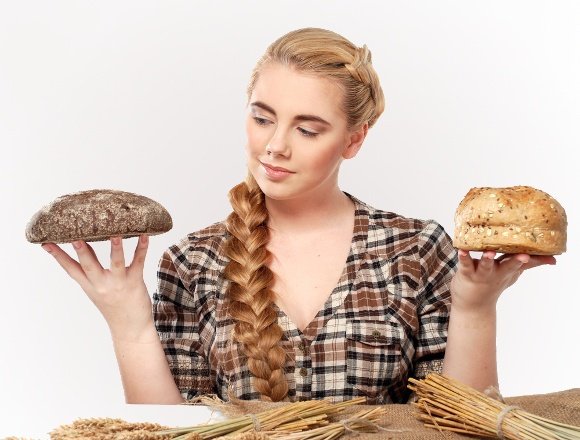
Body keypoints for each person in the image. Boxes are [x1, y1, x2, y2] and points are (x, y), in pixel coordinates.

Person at [41, 27, 556, 404]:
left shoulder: (415, 247)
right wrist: (128, 323)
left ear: (353, 140)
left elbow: (461, 424)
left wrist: (475, 308)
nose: (275, 146)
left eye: (308, 130)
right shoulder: (192, 262)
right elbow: (175, 434)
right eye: (262, 117)